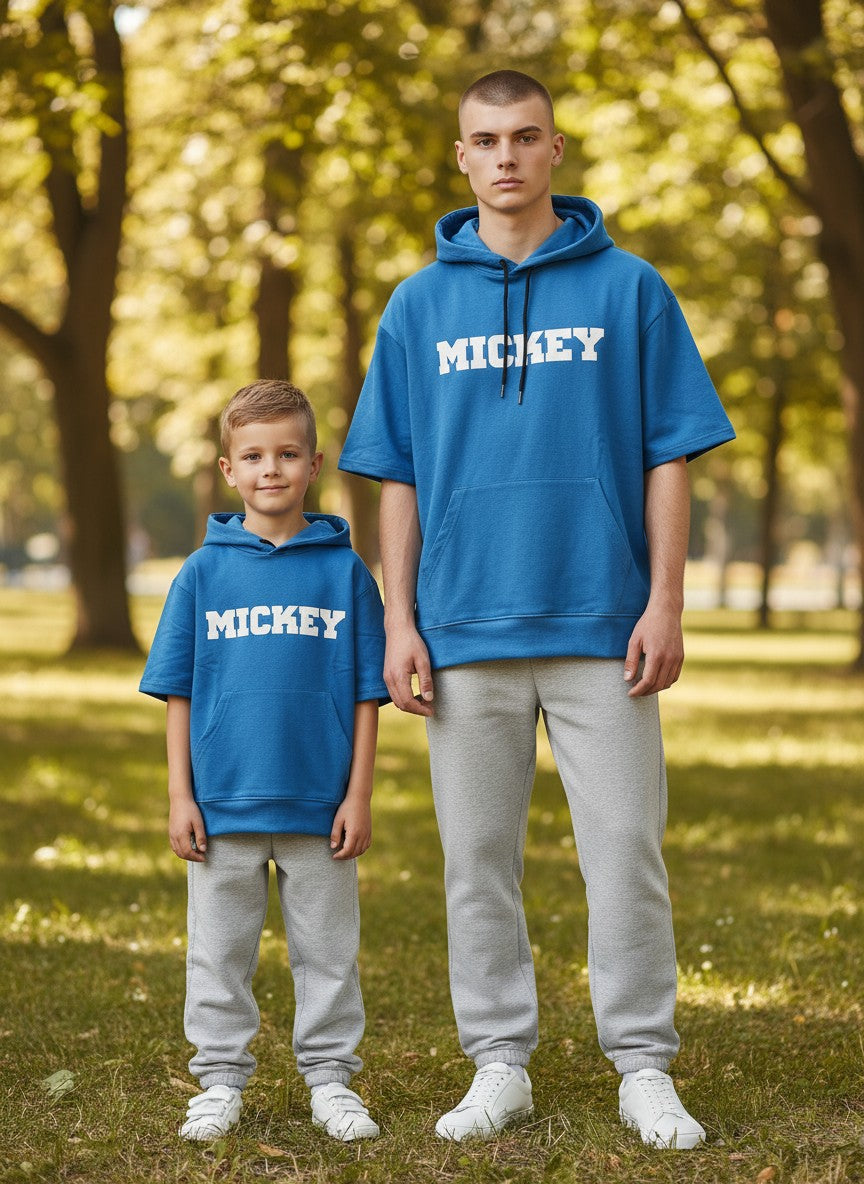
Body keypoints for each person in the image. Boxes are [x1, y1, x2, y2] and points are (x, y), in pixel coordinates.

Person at [339, 70, 735, 1149]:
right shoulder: (417, 303)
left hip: (603, 624)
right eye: (484, 140)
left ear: (557, 149)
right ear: (460, 158)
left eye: (524, 137)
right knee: (476, 858)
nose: (505, 156)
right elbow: (397, 474)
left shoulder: (632, 288)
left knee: (625, 848)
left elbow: (668, 455)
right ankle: (499, 1059)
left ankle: (644, 1062)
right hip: (463, 624)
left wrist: (665, 600)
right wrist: (398, 618)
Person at [140, 379, 388, 1143]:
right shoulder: (200, 576)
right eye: (253, 455)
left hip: (320, 808)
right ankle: (218, 1080)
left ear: (314, 464)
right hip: (223, 807)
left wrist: (359, 796)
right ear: (228, 469)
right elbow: (177, 691)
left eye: (286, 454)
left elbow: (365, 696)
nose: (270, 469)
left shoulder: (344, 573)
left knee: (328, 955)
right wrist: (181, 797)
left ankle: (331, 1080)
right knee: (217, 954)